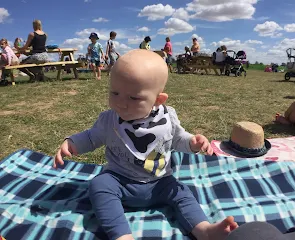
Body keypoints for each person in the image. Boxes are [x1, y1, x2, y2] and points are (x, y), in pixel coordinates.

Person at [53, 49, 239, 240]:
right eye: (114, 93)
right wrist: (72, 143)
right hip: (120, 181)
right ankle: (121, 235)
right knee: (99, 185)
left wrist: (192, 143)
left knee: (183, 193)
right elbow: (92, 137)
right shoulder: (109, 120)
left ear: (158, 100)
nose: (121, 103)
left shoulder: (168, 118)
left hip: (160, 182)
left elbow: (177, 139)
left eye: (133, 98)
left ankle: (204, 230)